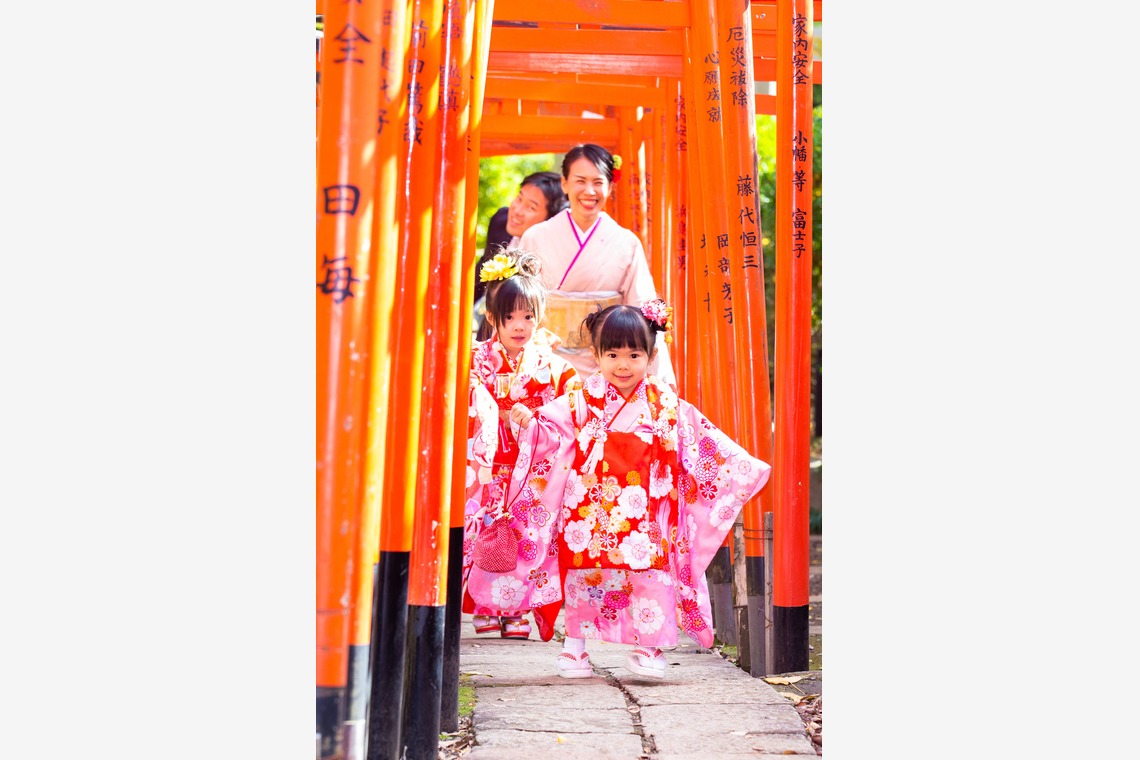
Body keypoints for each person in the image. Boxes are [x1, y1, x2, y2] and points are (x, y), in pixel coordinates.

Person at [502, 302, 770, 678]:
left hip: (648, 513)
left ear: (652, 355)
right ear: (595, 355)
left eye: (634, 354)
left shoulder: (665, 404)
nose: (623, 364)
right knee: (585, 574)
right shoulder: (582, 397)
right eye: (612, 354)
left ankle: (648, 647)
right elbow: (553, 433)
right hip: (589, 512)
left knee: (651, 576)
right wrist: (530, 424)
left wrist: (741, 468)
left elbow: (699, 442)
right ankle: (575, 647)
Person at [461, 248, 580, 640]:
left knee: (526, 535)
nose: (519, 325)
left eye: (528, 316)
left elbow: (570, 406)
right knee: (484, 529)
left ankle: (515, 609)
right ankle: (482, 605)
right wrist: (489, 407)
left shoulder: (552, 366)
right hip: (489, 463)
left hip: (530, 468)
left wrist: (538, 418)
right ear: (493, 317)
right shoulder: (475, 360)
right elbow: (467, 399)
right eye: (509, 316)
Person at [518, 144, 675, 387]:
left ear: (610, 187)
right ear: (564, 184)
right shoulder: (535, 237)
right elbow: (517, 304)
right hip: (545, 365)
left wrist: (660, 378)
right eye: (580, 181)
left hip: (607, 366)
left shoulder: (626, 242)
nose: (589, 191)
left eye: (598, 182)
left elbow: (644, 309)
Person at [474, 171, 568, 341]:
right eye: (519, 199)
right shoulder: (500, 222)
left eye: (531, 207)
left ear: (550, 219)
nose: (517, 211)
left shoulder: (552, 250)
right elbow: (479, 276)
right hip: (493, 327)